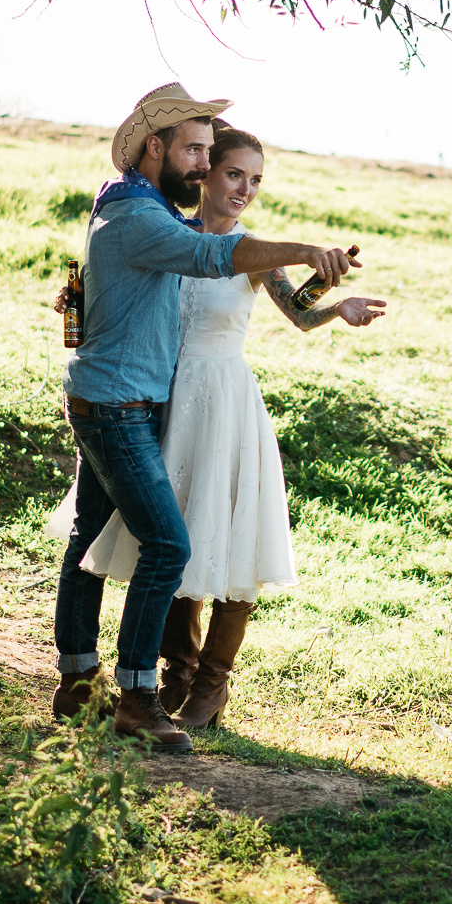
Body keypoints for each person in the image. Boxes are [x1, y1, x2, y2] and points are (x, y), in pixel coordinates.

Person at [53, 83, 356, 756]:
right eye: (204, 157)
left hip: (189, 398)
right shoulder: (158, 223)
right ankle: (144, 689)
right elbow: (207, 257)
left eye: (250, 177)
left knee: (152, 532)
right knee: (167, 543)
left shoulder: (144, 210)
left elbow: (292, 306)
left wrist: (333, 302)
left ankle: (130, 681)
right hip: (136, 399)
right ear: (158, 150)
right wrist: (305, 248)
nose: (215, 173)